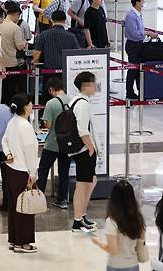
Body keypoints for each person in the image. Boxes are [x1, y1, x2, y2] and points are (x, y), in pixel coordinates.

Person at [1, 93, 38, 253]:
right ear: (24, 106)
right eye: (30, 104)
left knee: (15, 206)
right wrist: (33, 173)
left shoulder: (12, 122)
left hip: (11, 169)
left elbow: (4, 141)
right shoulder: (25, 125)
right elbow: (30, 151)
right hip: (23, 171)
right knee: (25, 207)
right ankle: (23, 243)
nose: (32, 106)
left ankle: (14, 239)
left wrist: (9, 154)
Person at [92, 180, 146, 271]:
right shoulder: (138, 218)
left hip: (116, 266)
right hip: (133, 265)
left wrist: (98, 242)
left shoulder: (112, 221)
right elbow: (141, 242)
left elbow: (113, 250)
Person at [70, 71, 99, 233]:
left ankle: (82, 215)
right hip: (83, 149)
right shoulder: (82, 104)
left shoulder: (78, 100)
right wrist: (90, 147)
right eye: (93, 83)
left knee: (91, 181)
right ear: (86, 85)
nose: (95, 86)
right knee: (82, 184)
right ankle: (77, 221)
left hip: (82, 148)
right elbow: (82, 129)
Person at [36, 77, 71, 209]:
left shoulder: (51, 103)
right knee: (64, 171)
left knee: (43, 170)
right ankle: (63, 200)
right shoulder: (72, 100)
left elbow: (48, 124)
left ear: (51, 89)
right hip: (67, 143)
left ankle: (39, 199)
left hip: (52, 143)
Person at [124, 0, 157, 99]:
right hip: (133, 45)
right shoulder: (131, 15)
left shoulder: (138, 14)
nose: (144, 3)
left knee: (139, 70)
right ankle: (129, 93)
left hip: (139, 44)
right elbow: (134, 33)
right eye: (142, 0)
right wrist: (147, 33)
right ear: (137, 2)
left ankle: (140, 92)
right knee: (133, 69)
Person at [0, 2, 27, 105]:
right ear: (16, 14)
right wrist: (24, 42)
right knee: (11, 91)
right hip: (11, 63)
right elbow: (19, 46)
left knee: (2, 90)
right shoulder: (15, 28)